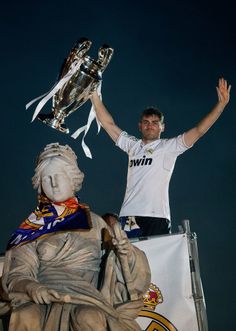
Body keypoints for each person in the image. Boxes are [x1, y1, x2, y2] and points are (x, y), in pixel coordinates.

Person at [0, 143, 151, 331]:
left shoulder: (96, 224)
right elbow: (17, 274)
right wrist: (32, 287)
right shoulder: (31, 227)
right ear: (39, 184)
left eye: (59, 176)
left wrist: (125, 253)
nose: (53, 183)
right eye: (47, 178)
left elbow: (119, 273)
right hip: (43, 297)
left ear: (73, 179)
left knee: (89, 317)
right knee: (25, 315)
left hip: (87, 297)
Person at [90, 78, 231, 237]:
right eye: (146, 122)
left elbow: (199, 130)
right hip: (130, 215)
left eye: (155, 123)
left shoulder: (169, 147)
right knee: (128, 260)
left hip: (157, 216)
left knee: (154, 261)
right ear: (140, 126)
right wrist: (93, 94)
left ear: (162, 127)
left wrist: (221, 105)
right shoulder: (133, 146)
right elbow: (108, 124)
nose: (150, 125)